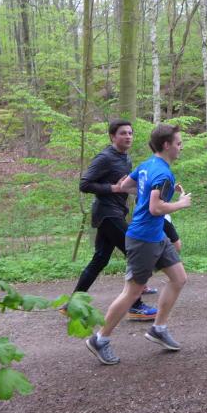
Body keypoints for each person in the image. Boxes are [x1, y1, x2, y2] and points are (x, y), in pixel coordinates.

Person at [86, 124, 191, 365]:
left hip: (157, 236)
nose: (181, 147)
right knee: (132, 292)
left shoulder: (147, 165)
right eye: (178, 143)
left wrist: (153, 191)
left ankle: (158, 329)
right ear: (166, 145)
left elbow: (125, 186)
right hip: (143, 239)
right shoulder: (163, 173)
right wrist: (181, 203)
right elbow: (155, 208)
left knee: (179, 278)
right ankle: (100, 339)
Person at [62, 120, 167, 321]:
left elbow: (126, 186)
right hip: (107, 213)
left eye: (130, 133)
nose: (128, 136)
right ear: (112, 136)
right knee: (135, 252)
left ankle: (71, 305)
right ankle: (135, 306)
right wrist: (113, 188)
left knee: (100, 259)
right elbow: (84, 184)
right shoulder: (105, 157)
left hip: (113, 213)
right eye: (123, 133)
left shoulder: (125, 158)